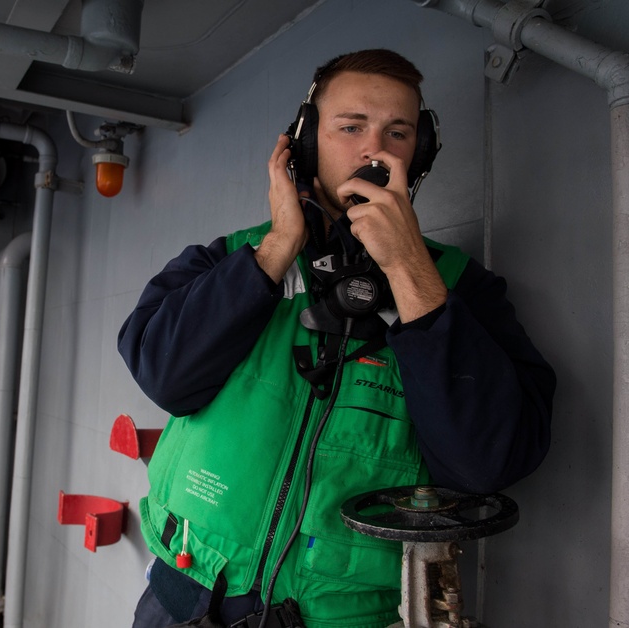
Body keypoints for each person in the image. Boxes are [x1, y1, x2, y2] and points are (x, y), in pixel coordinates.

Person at [118, 49, 556, 628]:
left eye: (397, 132)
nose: (375, 150)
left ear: (418, 152)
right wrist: (275, 250)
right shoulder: (227, 258)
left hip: (343, 617)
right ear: (304, 142)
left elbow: (487, 463)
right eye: (350, 127)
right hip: (186, 595)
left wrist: (409, 275)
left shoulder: (458, 287)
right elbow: (163, 374)